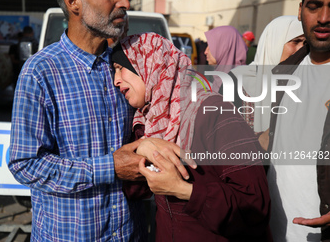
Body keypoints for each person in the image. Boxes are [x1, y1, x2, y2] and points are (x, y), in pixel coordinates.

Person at [8, 0, 183, 241]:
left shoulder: (133, 64)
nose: (124, 2)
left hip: (132, 233)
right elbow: (25, 164)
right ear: (73, 2)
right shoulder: (40, 72)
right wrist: (110, 167)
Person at [113, 32, 272, 241]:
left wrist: (185, 190)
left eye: (120, 69)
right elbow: (136, 191)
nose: (116, 80)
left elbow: (255, 205)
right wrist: (142, 148)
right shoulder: (149, 120)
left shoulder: (213, 112)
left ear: (150, 63)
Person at [261, 0, 330, 241]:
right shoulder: (283, 73)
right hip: (273, 228)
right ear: (300, 10)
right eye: (314, 6)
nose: (324, 17)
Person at [231, 15, 305, 133]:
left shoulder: (306, 82)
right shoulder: (238, 80)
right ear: (274, 43)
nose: (302, 49)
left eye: (306, 44)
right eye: (296, 41)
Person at [204, 25, 248, 94]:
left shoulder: (239, 86)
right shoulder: (218, 80)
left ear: (223, 48)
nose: (205, 51)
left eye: (210, 46)